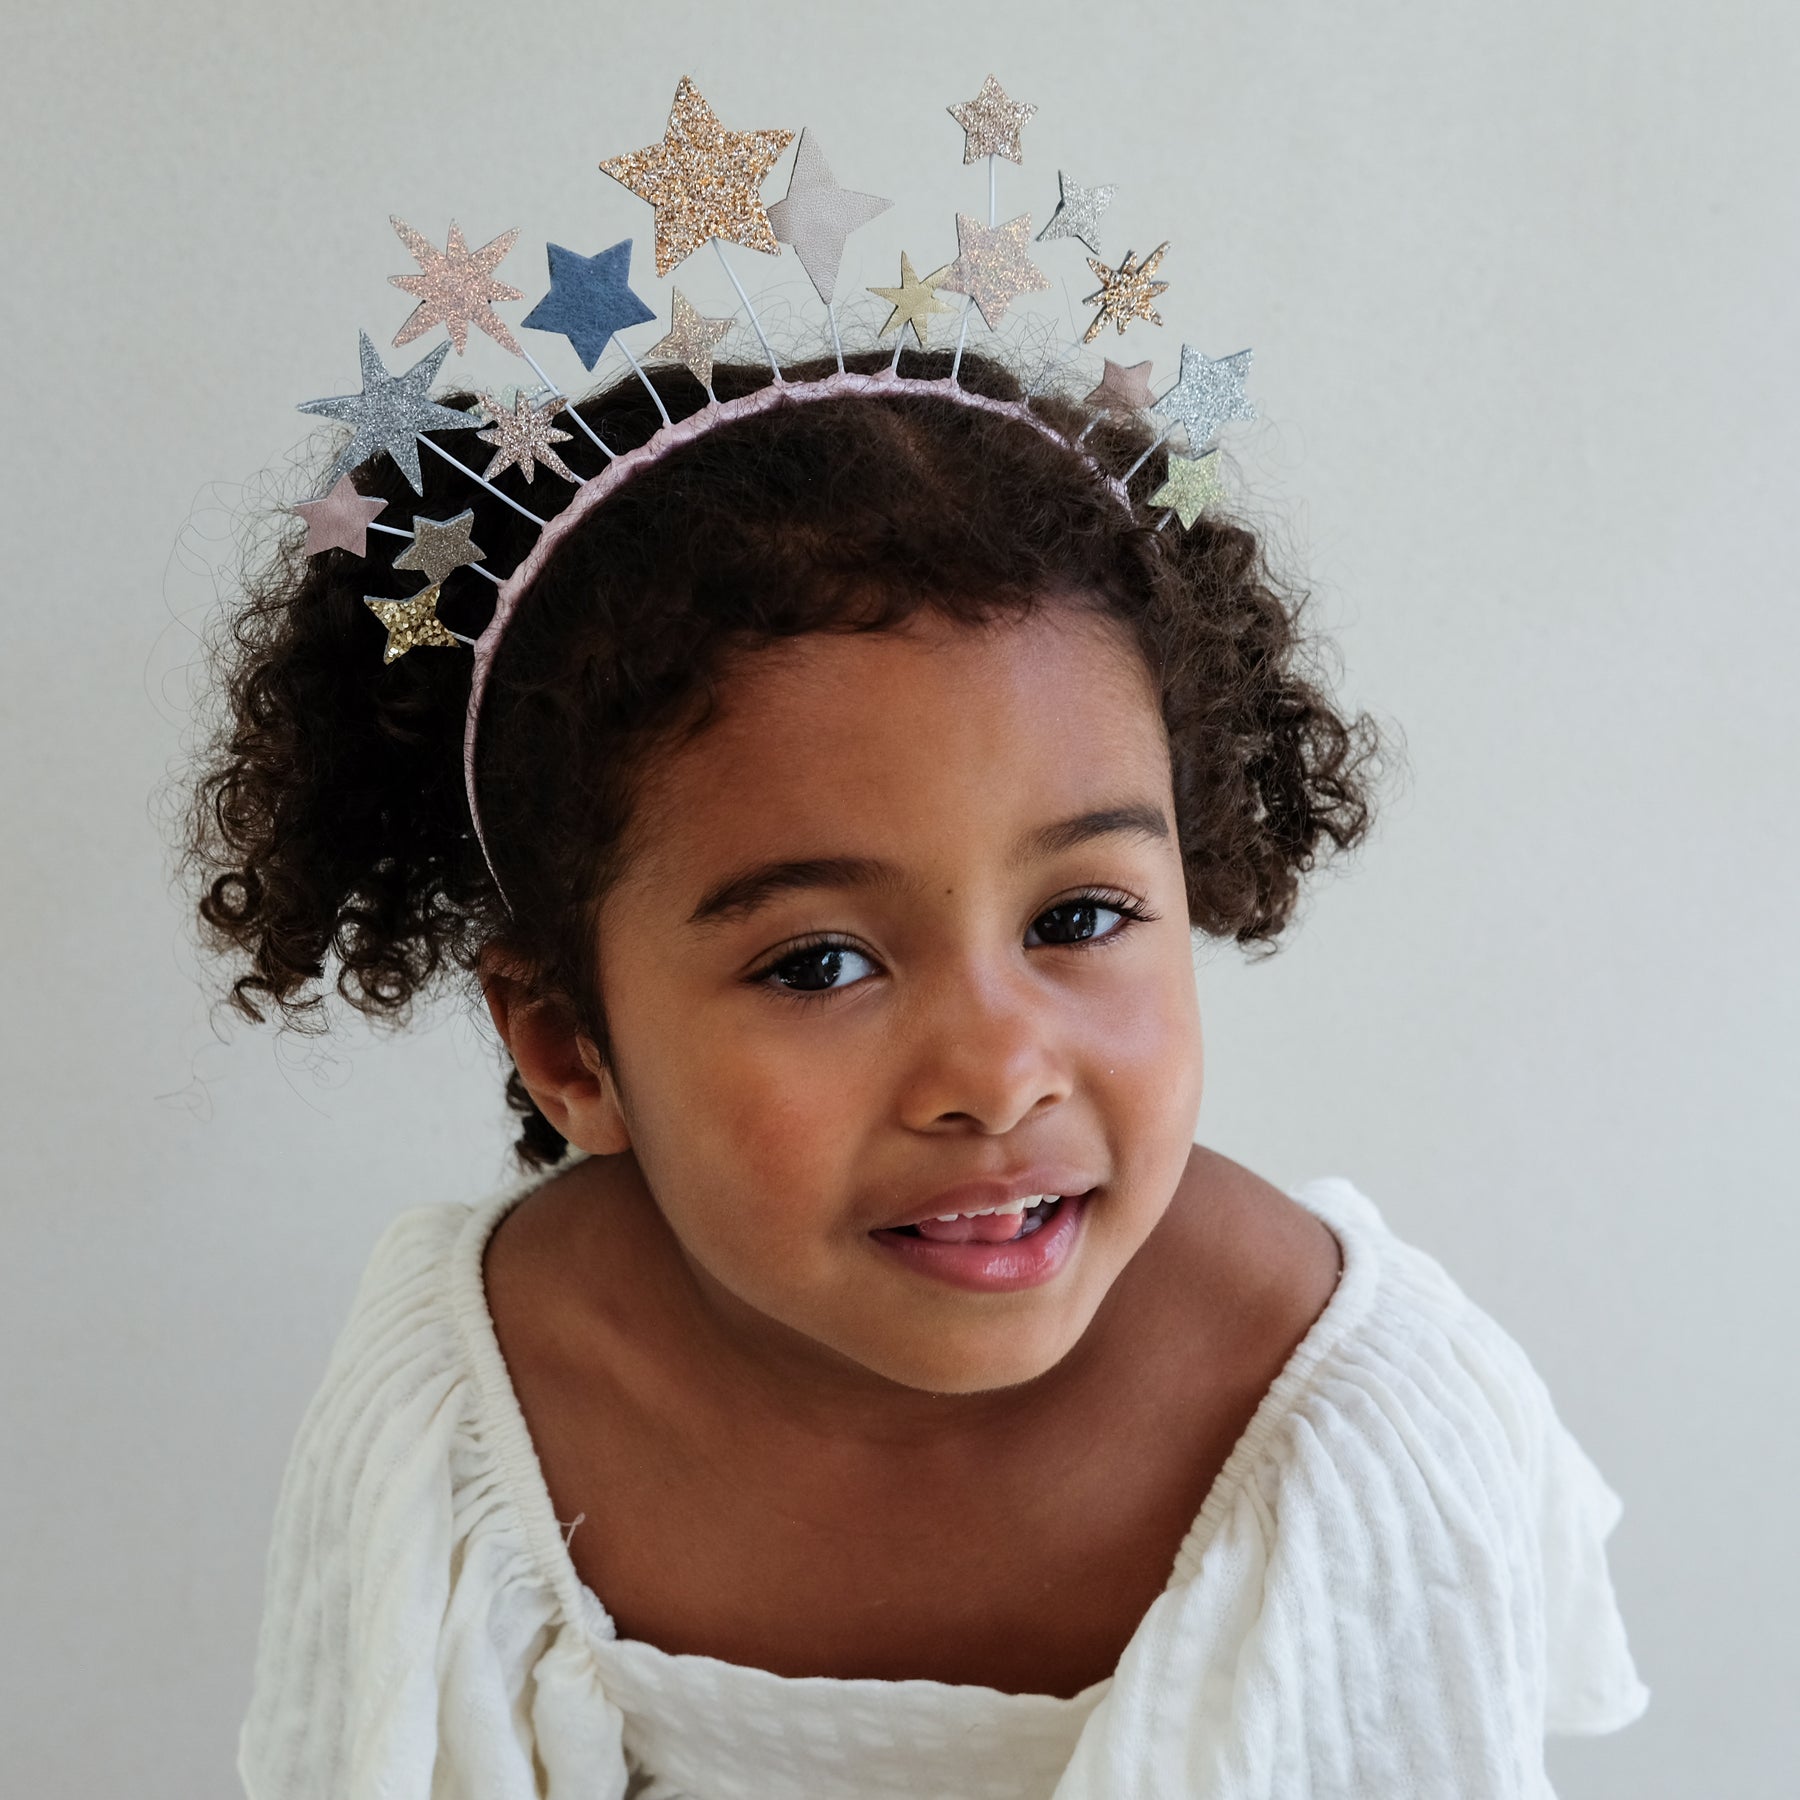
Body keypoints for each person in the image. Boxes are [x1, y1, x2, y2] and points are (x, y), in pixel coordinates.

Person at [187, 344, 1648, 1799]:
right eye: (821, 963)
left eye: (1080, 918)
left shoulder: (1345, 1439)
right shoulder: (470, 1412)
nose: (997, 1077)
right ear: (572, 1048)